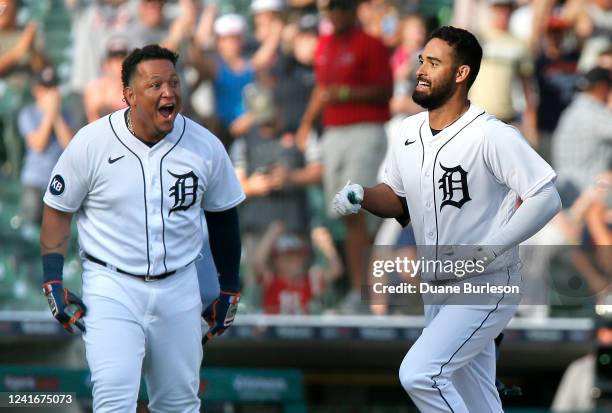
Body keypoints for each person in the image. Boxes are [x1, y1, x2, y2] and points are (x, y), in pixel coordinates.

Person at [333, 26, 561, 412]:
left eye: (434, 63)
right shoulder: (408, 132)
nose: (421, 69)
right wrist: (362, 195)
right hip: (437, 284)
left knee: (421, 373)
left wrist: (487, 252)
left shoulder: (492, 135)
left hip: (486, 282)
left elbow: (546, 197)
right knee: (475, 394)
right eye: (422, 60)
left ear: (461, 74)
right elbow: (397, 198)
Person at [39, 45, 245, 412]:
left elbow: (224, 215)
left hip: (180, 285)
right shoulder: (92, 142)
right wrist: (52, 278)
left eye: (174, 83)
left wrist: (229, 285)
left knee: (180, 402)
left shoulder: (204, 145)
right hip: (111, 285)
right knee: (114, 398)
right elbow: (58, 208)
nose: (169, 92)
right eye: (155, 85)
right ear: (129, 96)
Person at [297, 0, 393, 313]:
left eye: (341, 7)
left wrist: (345, 93)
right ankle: (358, 288)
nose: (335, 13)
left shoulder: (372, 44)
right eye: (331, 9)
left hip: (364, 129)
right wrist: (306, 123)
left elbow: (385, 90)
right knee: (342, 213)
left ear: (353, 11)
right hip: (334, 132)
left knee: (354, 208)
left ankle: (362, 291)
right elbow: (323, 90)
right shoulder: (324, 44)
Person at [18, 65, 74, 225]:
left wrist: (56, 115)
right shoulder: (28, 113)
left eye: (54, 87)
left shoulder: (66, 114)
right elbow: (38, 144)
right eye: (47, 88)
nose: (51, 92)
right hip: (34, 183)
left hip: (59, 183)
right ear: (38, 91)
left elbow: (69, 146)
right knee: (29, 228)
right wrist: (50, 113)